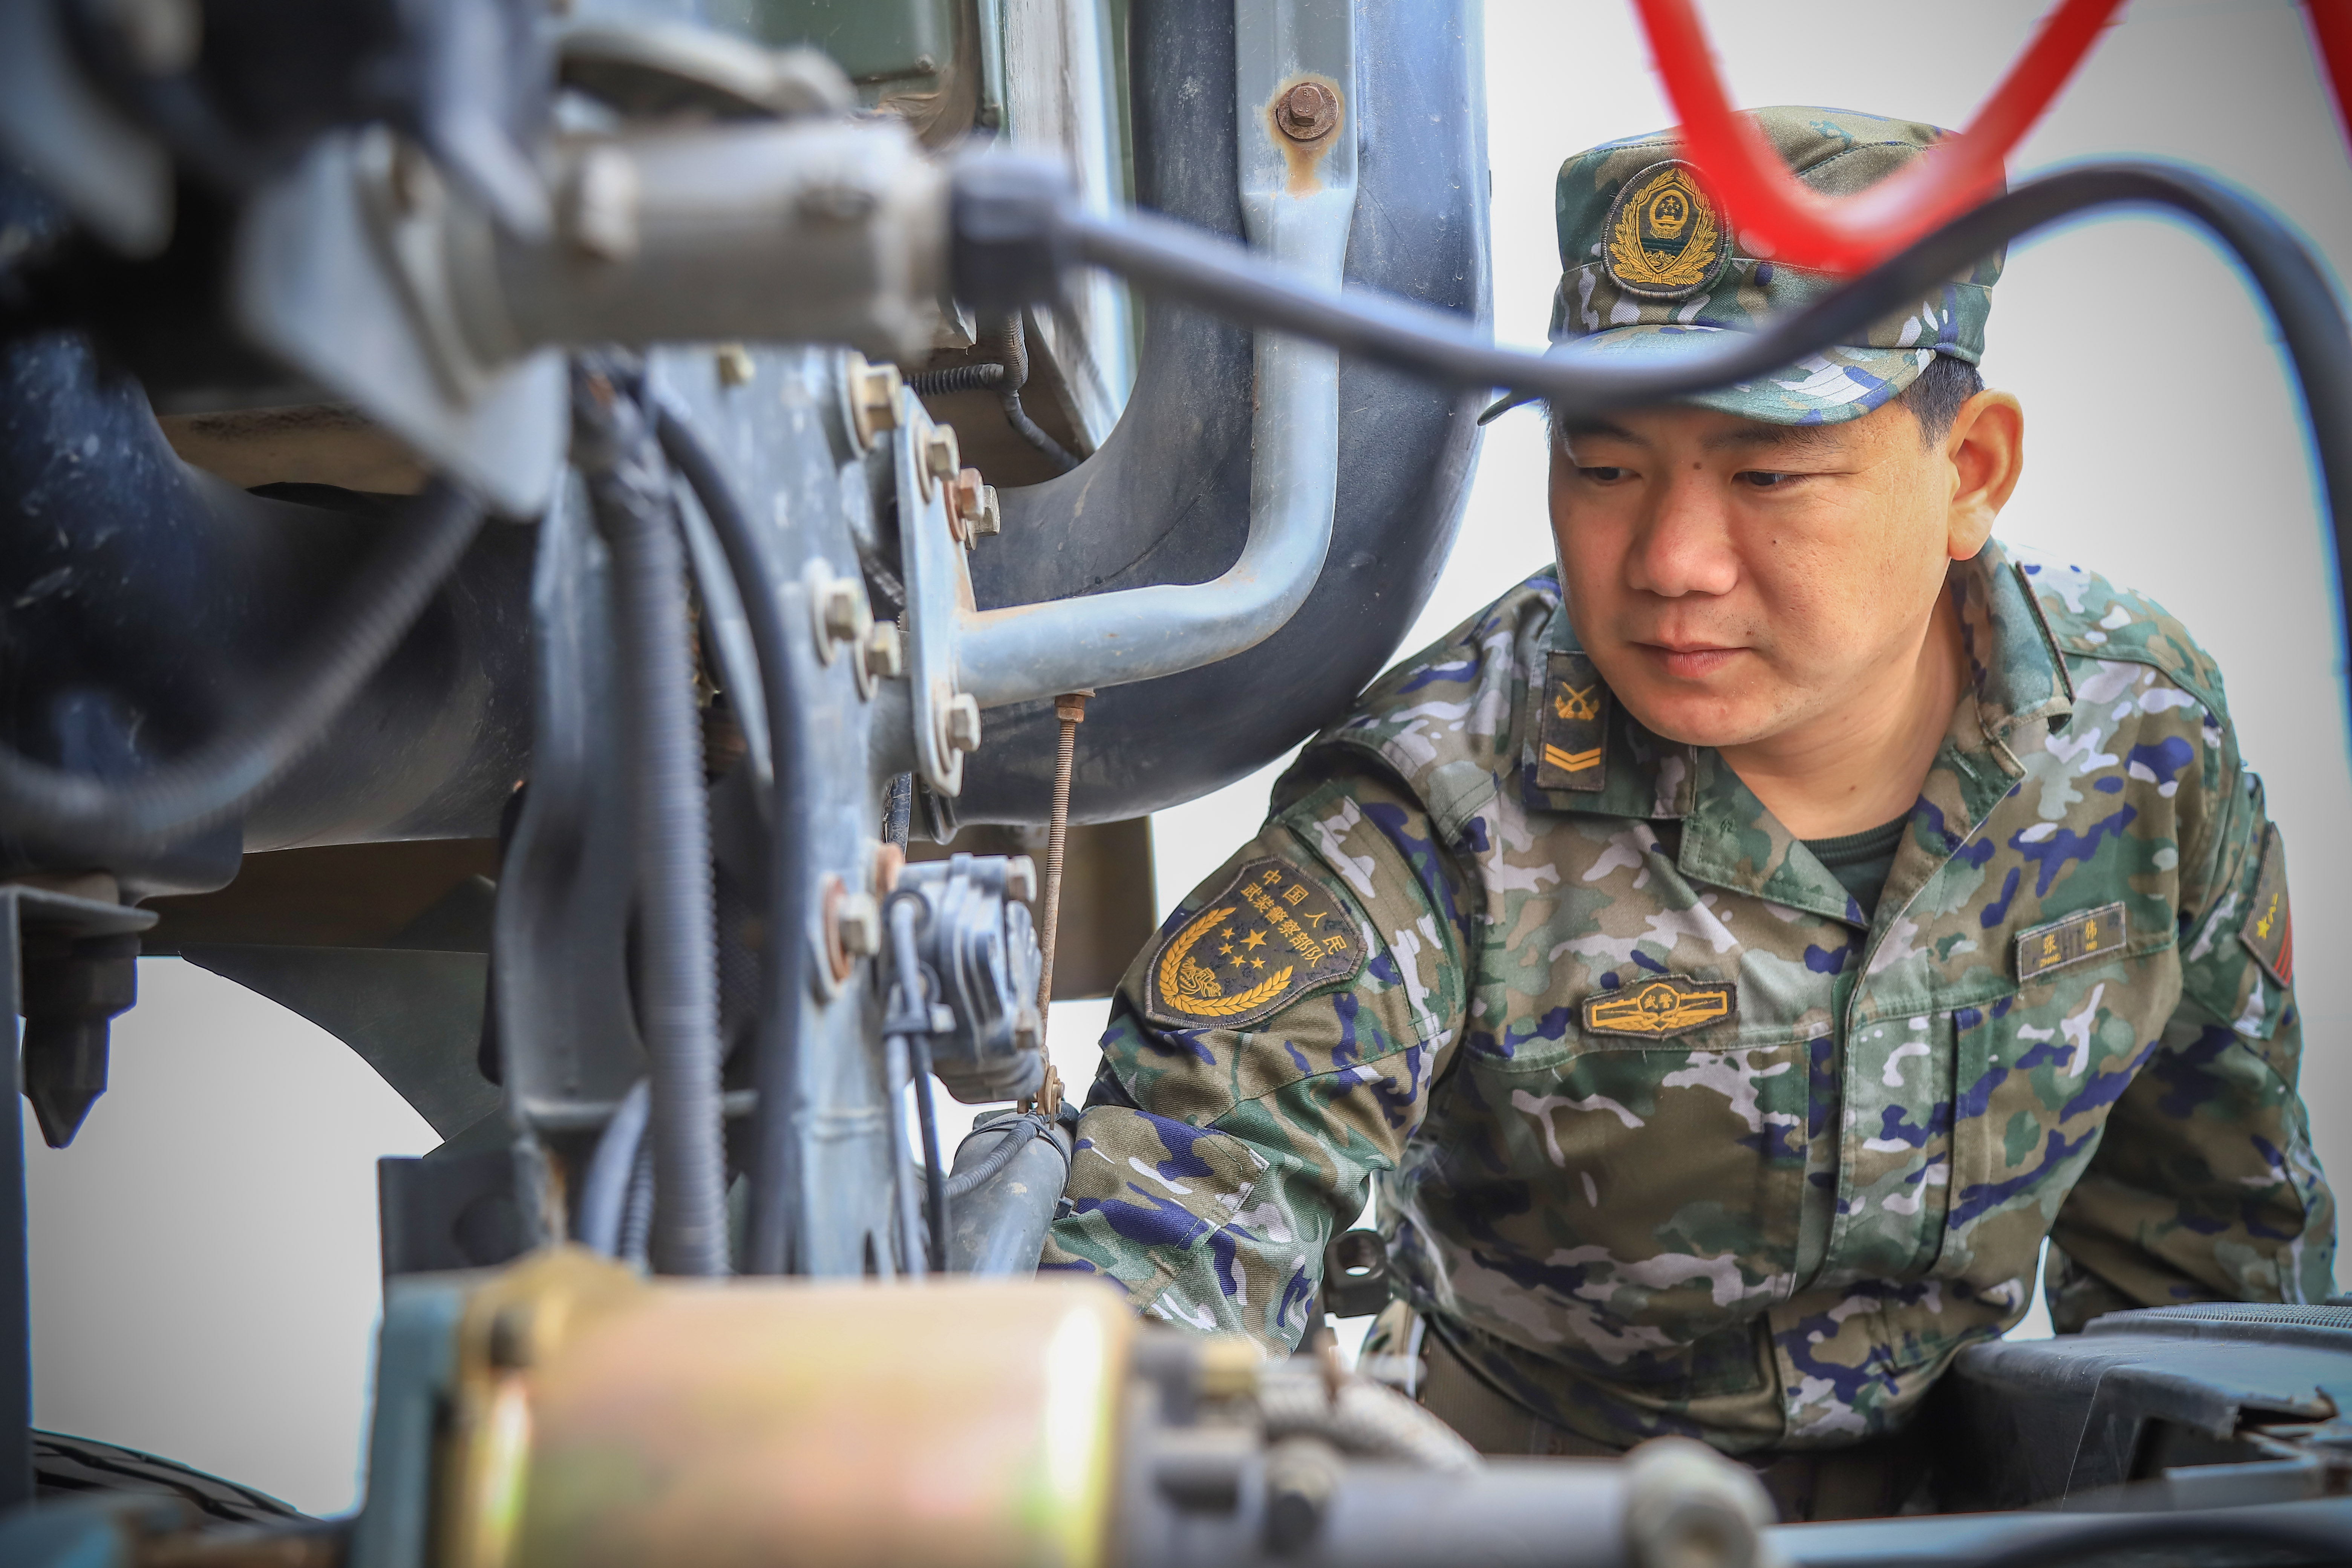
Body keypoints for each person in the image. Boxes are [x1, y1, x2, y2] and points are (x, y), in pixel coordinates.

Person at [1040, 107, 2336, 1517]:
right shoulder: (1434, 801)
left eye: (1767, 474)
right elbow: (1174, 1221)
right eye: (1603, 469)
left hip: (1967, 1506)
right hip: (1531, 1508)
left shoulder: (2137, 745)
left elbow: (2224, 1271)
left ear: (1969, 473)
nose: (1669, 560)